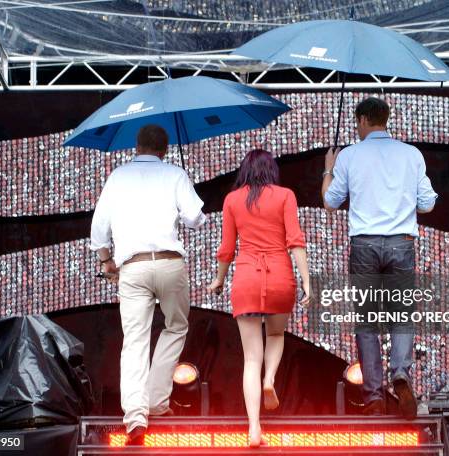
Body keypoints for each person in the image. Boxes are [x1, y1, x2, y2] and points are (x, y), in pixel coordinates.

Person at [321, 97, 437, 419]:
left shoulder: (349, 156)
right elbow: (427, 204)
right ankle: (400, 372)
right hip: (401, 243)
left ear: (360, 120)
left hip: (364, 246)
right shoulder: (411, 155)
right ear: (386, 119)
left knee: (368, 322)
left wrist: (329, 168)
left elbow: (331, 202)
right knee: (402, 315)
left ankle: (373, 395)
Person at [90, 124, 206, 445]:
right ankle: (157, 400)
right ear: (164, 150)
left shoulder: (118, 177)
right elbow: (197, 218)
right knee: (176, 327)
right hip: (169, 264)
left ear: (136, 147)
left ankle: (136, 416)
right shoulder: (175, 174)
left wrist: (106, 261)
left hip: (133, 267)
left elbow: (98, 230)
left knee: (135, 340)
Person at [207, 149, 310, 447]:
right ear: (271, 171)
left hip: (247, 278)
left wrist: (218, 279)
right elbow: (295, 241)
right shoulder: (285, 196)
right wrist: (307, 281)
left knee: (251, 357)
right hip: (279, 275)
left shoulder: (232, 200)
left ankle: (254, 428)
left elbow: (227, 248)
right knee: (276, 334)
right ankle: (270, 379)